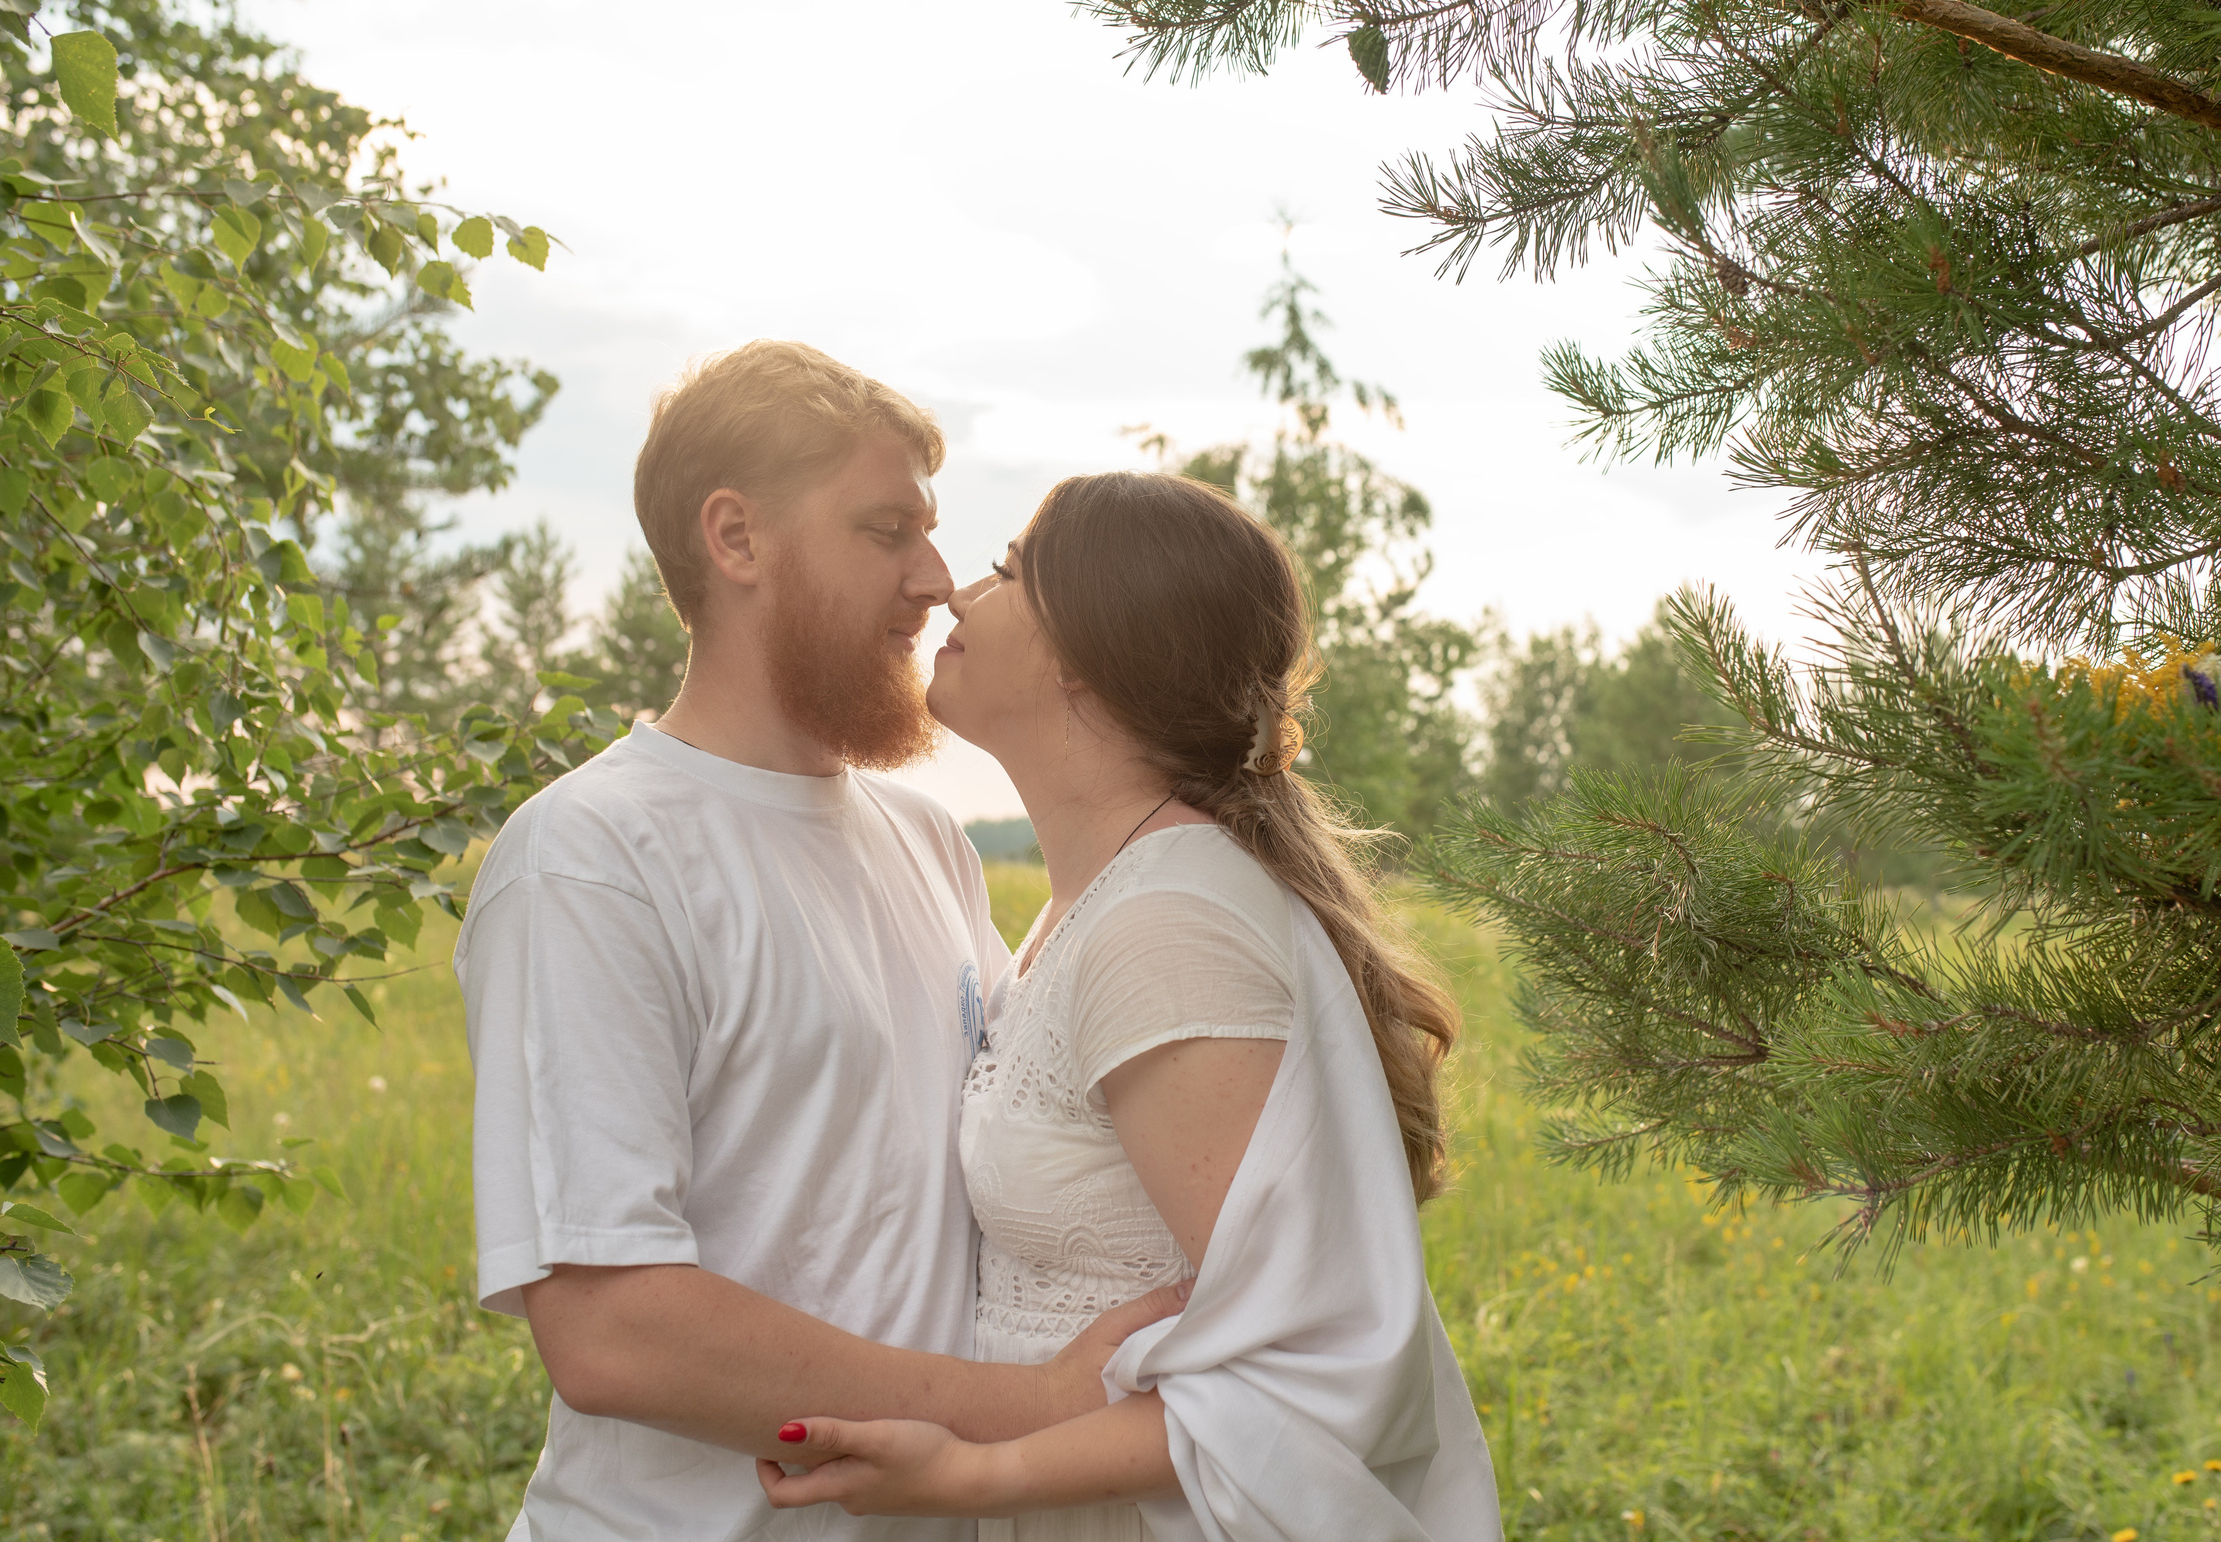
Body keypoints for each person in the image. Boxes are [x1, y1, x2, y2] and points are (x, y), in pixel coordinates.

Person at [453, 345, 1182, 1542]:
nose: (938, 580)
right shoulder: (594, 857)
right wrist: (1032, 1406)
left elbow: (1038, 1135)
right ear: (736, 538)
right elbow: (611, 1329)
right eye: (885, 530)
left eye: (934, 532)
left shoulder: (925, 838)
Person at [756, 472, 1502, 1541]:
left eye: (1011, 570)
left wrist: (970, 1475)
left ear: (1091, 651)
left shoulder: (1168, 928)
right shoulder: (1095, 902)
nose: (962, 593)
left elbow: (1303, 1374)